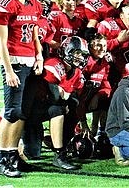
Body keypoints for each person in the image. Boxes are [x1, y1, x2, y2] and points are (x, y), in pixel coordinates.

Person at [0, 0, 44, 178]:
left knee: (21, 112)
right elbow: (0, 41)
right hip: (14, 62)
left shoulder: (35, 4)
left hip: (30, 61)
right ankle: (3, 158)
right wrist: (8, 69)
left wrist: (39, 55)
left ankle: (13, 155)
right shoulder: (4, 4)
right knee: (11, 112)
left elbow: (34, 34)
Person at [21, 36, 88, 170]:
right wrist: (64, 95)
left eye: (82, 54)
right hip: (30, 113)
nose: (80, 57)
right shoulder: (53, 64)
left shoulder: (77, 73)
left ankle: (59, 146)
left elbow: (73, 99)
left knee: (72, 106)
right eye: (77, 53)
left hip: (45, 109)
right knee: (58, 108)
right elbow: (54, 96)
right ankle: (59, 153)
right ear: (66, 51)